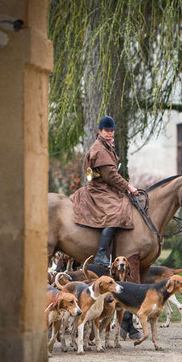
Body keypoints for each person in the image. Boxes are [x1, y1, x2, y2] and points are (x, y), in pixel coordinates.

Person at [70, 115, 141, 339]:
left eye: (111, 131)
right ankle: (102, 255)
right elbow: (110, 175)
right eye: (106, 130)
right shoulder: (99, 149)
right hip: (99, 189)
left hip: (106, 186)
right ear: (99, 131)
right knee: (115, 212)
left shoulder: (106, 146)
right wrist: (129, 186)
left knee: (121, 205)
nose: (109, 133)